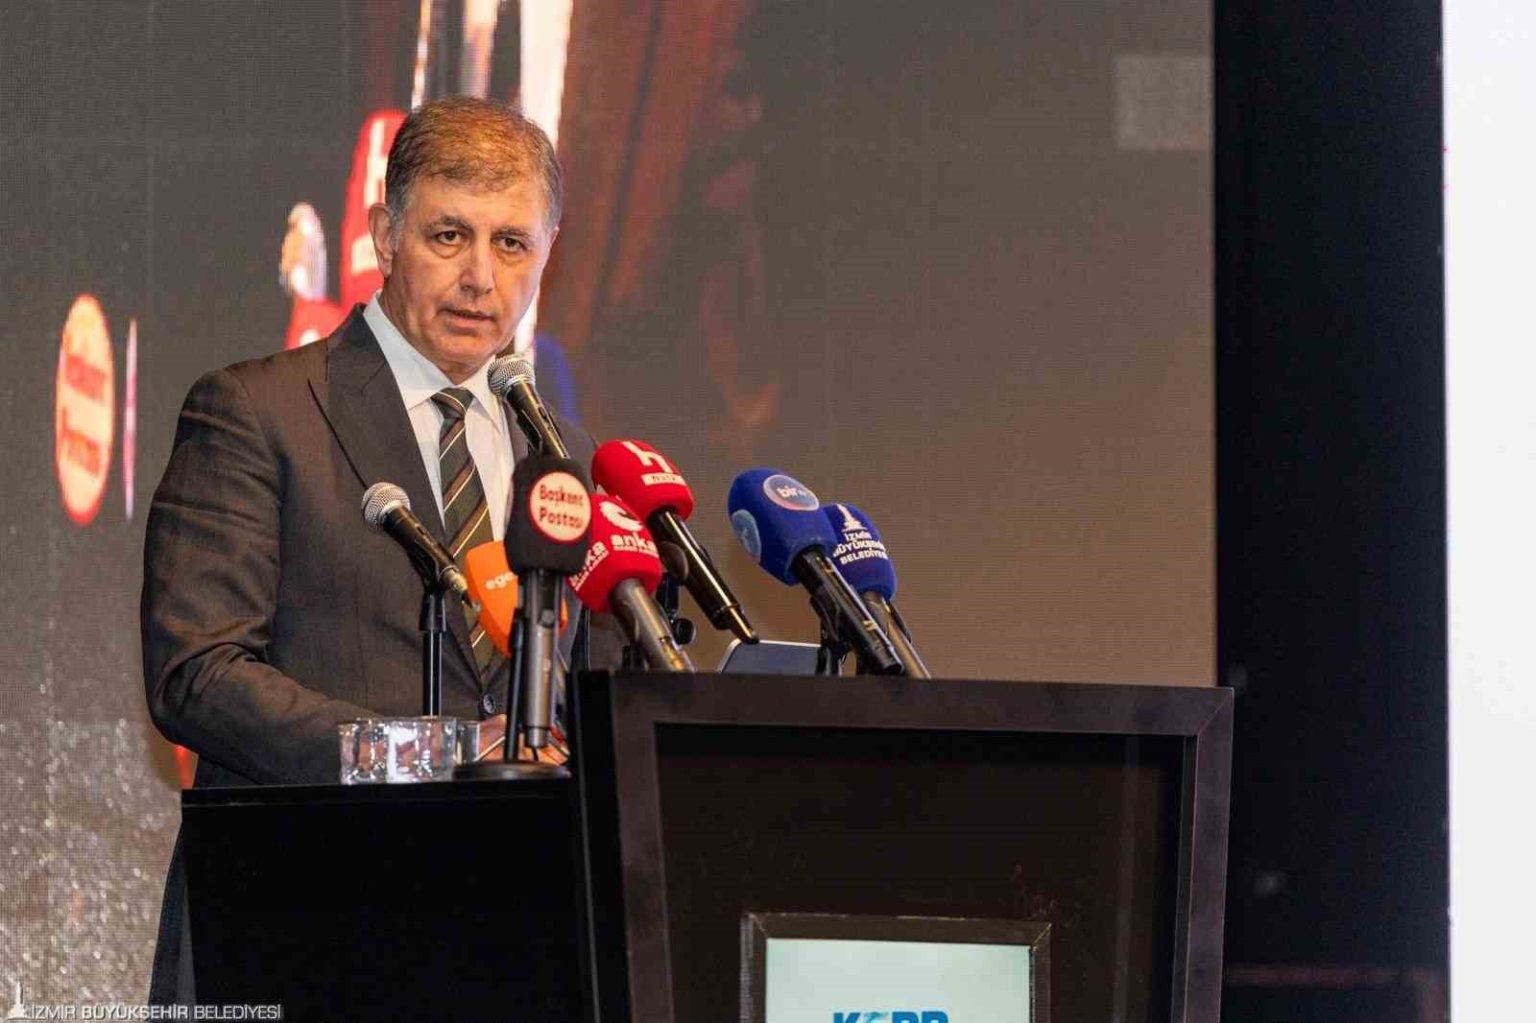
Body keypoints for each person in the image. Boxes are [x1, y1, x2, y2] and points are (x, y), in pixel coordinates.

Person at [140, 96, 616, 1004]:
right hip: (299, 930)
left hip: (512, 950)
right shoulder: (258, 412)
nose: (480, 277)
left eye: (511, 244)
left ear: (548, 251)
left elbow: (591, 698)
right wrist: (432, 752)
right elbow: (196, 674)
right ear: (385, 237)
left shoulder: (567, 461)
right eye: (449, 236)